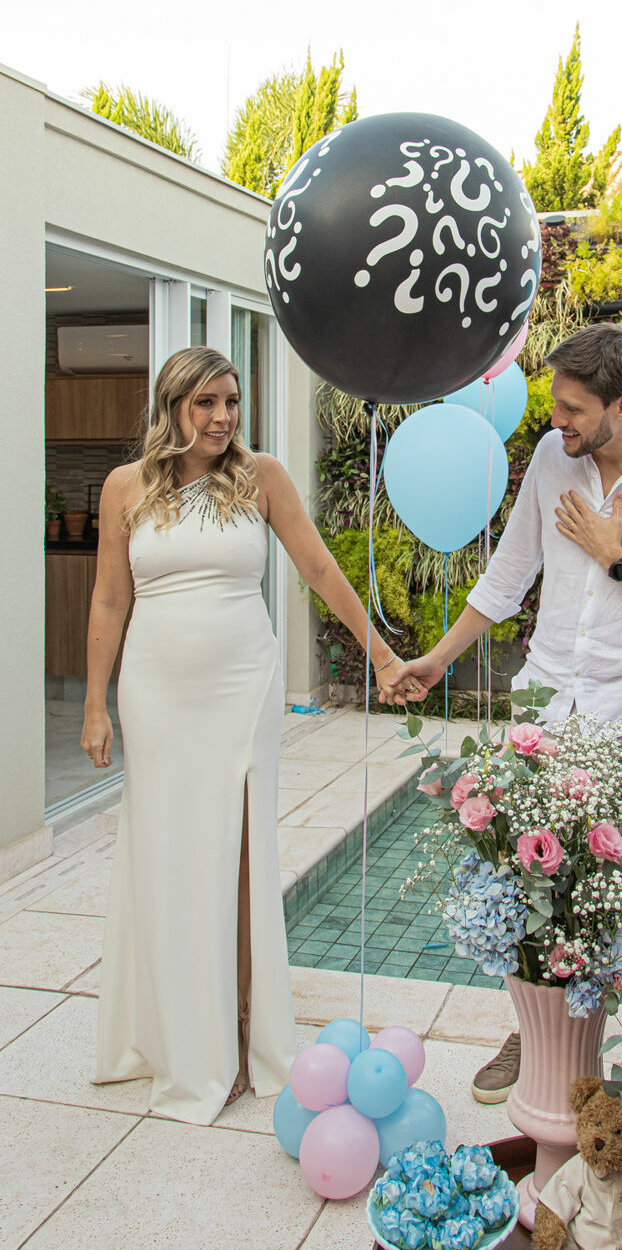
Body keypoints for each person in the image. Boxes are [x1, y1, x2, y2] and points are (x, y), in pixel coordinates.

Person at [389, 323, 622, 1102]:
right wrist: (438, 659)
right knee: (532, 879)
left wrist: (621, 560)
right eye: (555, 405)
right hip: (550, 700)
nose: (557, 421)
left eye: (574, 409)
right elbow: (511, 569)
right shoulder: (555, 459)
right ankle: (536, 1028)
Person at [84, 347, 424, 1125]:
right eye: (205, 403)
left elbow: (317, 569)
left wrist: (380, 654)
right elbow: (108, 602)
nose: (222, 417)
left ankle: (240, 1031)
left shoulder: (261, 476)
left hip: (242, 686)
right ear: (171, 407)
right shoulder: (125, 488)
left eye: (231, 401)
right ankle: (175, 1032)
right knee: (166, 853)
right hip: (156, 692)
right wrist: (97, 705)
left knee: (237, 852)